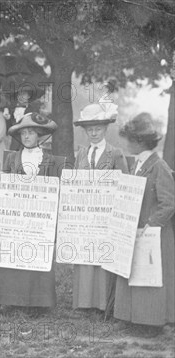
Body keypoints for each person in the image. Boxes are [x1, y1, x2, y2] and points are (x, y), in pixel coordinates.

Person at [0, 112, 60, 318]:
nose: (28, 137)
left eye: (32, 132)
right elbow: (4, 188)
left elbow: (55, 190)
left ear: (39, 135)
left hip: (39, 219)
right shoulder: (12, 158)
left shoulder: (50, 160)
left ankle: (37, 302)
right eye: (24, 133)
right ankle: (4, 300)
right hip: (15, 217)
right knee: (10, 257)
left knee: (36, 256)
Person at [114, 113, 174, 330]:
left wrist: (152, 224)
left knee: (150, 277)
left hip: (153, 233)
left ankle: (152, 322)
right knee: (135, 273)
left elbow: (168, 202)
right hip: (134, 229)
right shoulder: (137, 164)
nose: (126, 143)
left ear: (140, 142)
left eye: (129, 139)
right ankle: (132, 317)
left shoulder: (159, 166)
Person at [71, 103, 128, 311]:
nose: (94, 133)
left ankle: (104, 305)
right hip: (85, 216)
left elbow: (125, 185)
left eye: (98, 129)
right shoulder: (81, 154)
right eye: (90, 129)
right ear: (85, 131)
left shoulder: (115, 154)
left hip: (107, 217)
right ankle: (84, 304)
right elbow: (74, 183)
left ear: (105, 129)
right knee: (85, 257)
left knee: (103, 257)